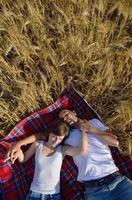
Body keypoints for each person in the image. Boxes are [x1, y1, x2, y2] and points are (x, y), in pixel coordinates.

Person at [7, 109, 132, 200]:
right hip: (94, 189)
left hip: (116, 180)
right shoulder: (65, 135)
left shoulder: (94, 122)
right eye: (63, 119)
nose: (65, 118)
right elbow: (42, 136)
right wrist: (19, 144)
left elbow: (115, 142)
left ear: (74, 112)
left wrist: (89, 129)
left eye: (66, 114)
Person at [6, 119, 88, 200]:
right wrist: (19, 150)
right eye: (54, 137)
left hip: (53, 196)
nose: (56, 141)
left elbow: (81, 151)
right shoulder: (38, 144)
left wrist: (83, 132)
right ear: (49, 133)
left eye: (60, 139)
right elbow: (23, 159)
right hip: (34, 194)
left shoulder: (62, 149)